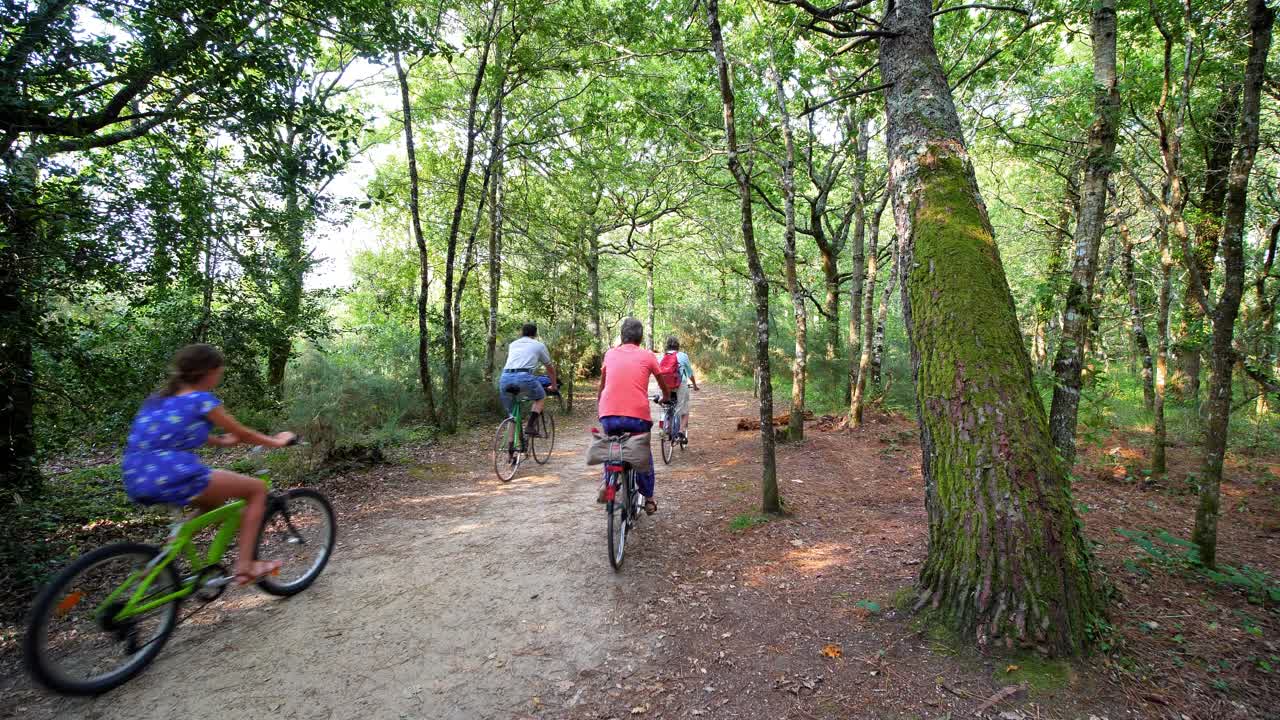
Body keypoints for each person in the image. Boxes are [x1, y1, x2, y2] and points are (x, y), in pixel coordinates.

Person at [122, 344, 296, 585]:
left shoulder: (159, 400)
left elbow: (172, 434)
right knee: (257, 489)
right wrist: (276, 442)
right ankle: (246, 565)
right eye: (220, 371)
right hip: (172, 474)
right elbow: (242, 432)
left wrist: (221, 442)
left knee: (212, 502)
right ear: (210, 371)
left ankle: (159, 562)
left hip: (136, 475)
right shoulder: (201, 400)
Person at [597, 318, 673, 514]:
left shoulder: (610, 354)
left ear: (622, 337)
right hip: (637, 417)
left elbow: (602, 385)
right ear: (640, 338)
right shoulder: (647, 356)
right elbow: (662, 381)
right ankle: (648, 499)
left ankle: (609, 483)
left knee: (611, 446)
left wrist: (602, 406)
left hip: (609, 414)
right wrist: (665, 397)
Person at [499, 322, 558, 437]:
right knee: (540, 397)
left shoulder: (513, 344)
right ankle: (530, 426)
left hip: (504, 378)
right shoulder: (538, 345)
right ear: (535, 334)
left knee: (512, 417)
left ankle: (511, 451)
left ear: (522, 333)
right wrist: (554, 386)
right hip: (524, 377)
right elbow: (550, 369)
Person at [663, 336, 699, 440]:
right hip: (681, 384)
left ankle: (667, 426)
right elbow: (690, 373)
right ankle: (681, 431)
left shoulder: (663, 356)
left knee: (667, 406)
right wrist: (695, 385)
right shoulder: (683, 356)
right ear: (678, 346)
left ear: (667, 345)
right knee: (684, 409)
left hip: (666, 385)